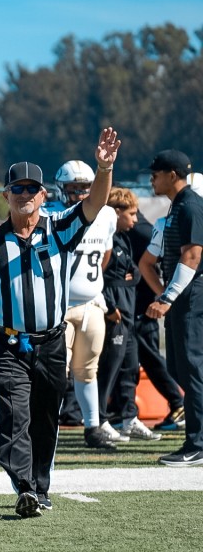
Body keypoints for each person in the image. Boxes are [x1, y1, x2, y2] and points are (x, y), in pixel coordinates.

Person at [0, 127, 120, 518]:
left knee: (47, 416)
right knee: (15, 414)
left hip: (51, 341)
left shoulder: (60, 228)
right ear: (5, 195)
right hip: (8, 341)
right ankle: (24, 486)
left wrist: (103, 168)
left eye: (32, 189)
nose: (25, 195)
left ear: (44, 195)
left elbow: (95, 205)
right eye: (18, 189)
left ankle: (40, 486)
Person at [45, 161, 118, 450]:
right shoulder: (51, 215)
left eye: (84, 188)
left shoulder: (107, 215)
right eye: (73, 188)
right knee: (54, 371)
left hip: (91, 304)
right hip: (57, 306)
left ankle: (92, 426)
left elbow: (105, 256)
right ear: (61, 189)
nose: (78, 194)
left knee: (88, 370)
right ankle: (49, 427)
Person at [143, 150, 203, 466]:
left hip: (192, 297)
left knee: (192, 369)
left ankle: (198, 443)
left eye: (156, 173)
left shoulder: (191, 205)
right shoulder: (178, 206)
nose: (151, 178)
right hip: (183, 297)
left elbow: (192, 256)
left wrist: (166, 298)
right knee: (179, 369)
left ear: (173, 174)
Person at [97, 188, 162, 441]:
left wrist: (130, 276)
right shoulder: (105, 239)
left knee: (130, 368)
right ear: (116, 213)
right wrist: (110, 308)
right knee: (108, 369)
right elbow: (99, 277)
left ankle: (129, 418)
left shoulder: (124, 238)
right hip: (115, 315)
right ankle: (99, 420)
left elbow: (133, 273)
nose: (135, 220)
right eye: (131, 214)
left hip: (129, 314)